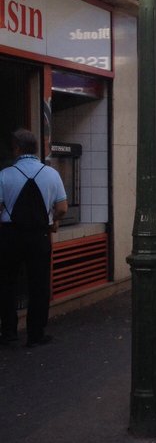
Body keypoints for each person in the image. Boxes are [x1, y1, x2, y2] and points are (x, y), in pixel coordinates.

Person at [0, 128, 68, 347]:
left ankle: (9, 331)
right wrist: (53, 220)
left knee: (6, 283)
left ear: (17, 148)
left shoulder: (4, 175)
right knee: (39, 284)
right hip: (39, 235)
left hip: (10, 235)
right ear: (36, 149)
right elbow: (62, 208)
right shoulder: (51, 174)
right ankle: (35, 334)